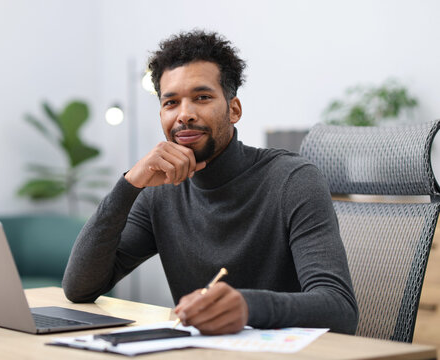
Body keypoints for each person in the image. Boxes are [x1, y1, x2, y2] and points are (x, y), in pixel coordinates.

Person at [62, 30, 358, 335]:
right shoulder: (159, 192)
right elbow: (79, 288)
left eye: (202, 97)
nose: (185, 115)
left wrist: (248, 307)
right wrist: (129, 185)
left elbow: (339, 309)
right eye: (171, 102)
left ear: (234, 110)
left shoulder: (292, 179)